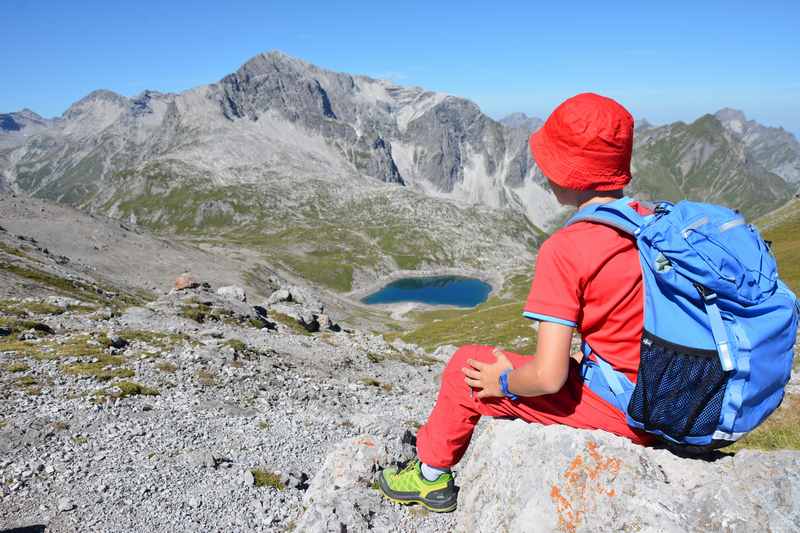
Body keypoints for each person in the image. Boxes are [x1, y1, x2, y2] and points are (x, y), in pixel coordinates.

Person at [378, 93, 655, 513]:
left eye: (551, 162)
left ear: (569, 172)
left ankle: (430, 477)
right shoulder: (656, 223)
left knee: (464, 368)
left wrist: (504, 382)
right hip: (691, 401)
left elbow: (548, 379)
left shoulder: (568, 247)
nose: (543, 172)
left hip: (636, 412)